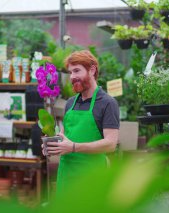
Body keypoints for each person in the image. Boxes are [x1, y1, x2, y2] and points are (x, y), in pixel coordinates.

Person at [44, 50, 120, 195]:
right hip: (67, 177)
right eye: (70, 72)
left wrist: (73, 147)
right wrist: (52, 144)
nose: (72, 77)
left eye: (77, 71)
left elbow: (110, 144)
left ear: (92, 70)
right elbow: (64, 136)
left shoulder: (107, 103)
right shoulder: (70, 103)